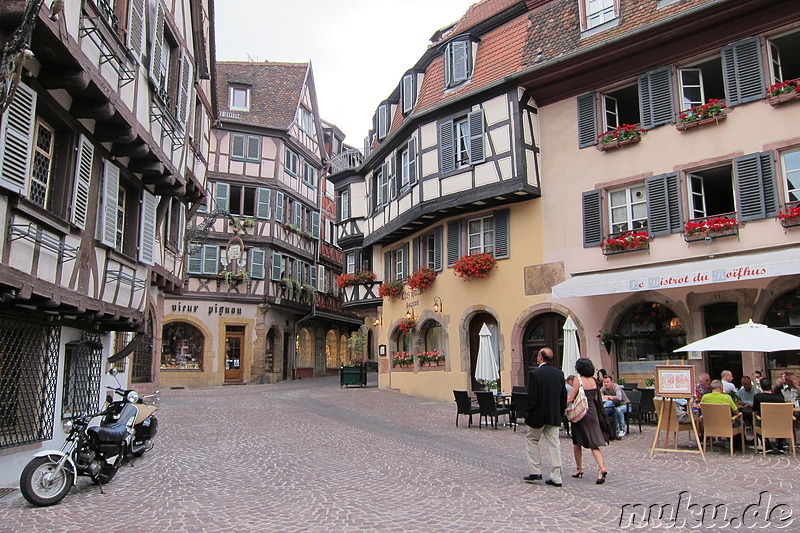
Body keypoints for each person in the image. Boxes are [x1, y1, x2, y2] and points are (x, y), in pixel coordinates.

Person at [524, 347, 567, 487]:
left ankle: (535, 471)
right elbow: (563, 397)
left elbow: (532, 397)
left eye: (538, 354)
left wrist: (529, 412)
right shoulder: (559, 374)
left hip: (538, 415)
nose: (537, 357)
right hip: (553, 415)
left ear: (541, 357)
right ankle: (556, 476)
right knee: (554, 445)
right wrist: (559, 412)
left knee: (532, 439)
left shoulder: (535, 374)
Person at [568, 357, 610, 485]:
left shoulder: (578, 380)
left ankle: (580, 468)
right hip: (592, 412)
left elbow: (571, 397)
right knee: (593, 443)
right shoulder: (594, 381)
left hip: (581, 413)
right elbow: (597, 398)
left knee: (577, 441)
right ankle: (601, 467)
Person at [753, 378, 787, 453]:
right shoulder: (780, 398)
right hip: (779, 425)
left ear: (761, 387)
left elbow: (755, 412)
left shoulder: (757, 397)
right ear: (771, 386)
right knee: (782, 421)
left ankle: (767, 446)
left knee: (756, 421)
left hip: (764, 424)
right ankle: (781, 445)